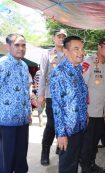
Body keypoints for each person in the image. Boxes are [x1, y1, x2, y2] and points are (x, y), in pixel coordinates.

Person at [50, 36, 89, 173]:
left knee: (74, 162)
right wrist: (61, 134)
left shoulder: (77, 70)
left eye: (82, 48)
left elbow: (80, 98)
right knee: (67, 164)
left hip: (80, 126)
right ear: (65, 51)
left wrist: (85, 115)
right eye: (76, 49)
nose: (81, 52)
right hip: (68, 129)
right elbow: (57, 106)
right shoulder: (59, 73)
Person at [0, 33, 37, 173]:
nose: (21, 48)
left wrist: (29, 112)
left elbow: (24, 92)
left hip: (22, 116)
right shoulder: (3, 64)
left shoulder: (23, 65)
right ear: (8, 46)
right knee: (6, 152)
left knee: (21, 148)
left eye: (23, 45)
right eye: (17, 45)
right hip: (5, 117)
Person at [80, 38, 105, 173]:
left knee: (94, 143)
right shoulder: (88, 63)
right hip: (89, 113)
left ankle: (92, 165)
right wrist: (83, 112)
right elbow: (81, 87)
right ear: (99, 47)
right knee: (87, 144)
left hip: (100, 113)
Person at [39, 29, 67, 166]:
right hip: (51, 95)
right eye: (59, 36)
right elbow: (43, 74)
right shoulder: (47, 53)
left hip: (66, 96)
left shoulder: (69, 53)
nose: (61, 38)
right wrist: (40, 95)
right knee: (51, 124)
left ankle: (60, 147)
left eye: (63, 36)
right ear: (53, 38)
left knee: (64, 122)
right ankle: (45, 152)